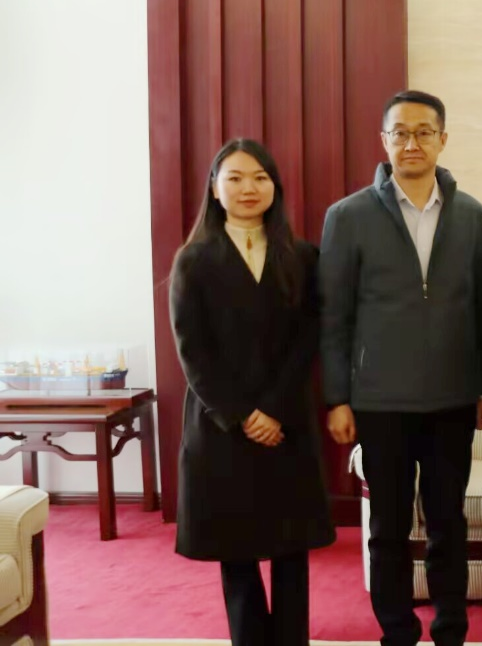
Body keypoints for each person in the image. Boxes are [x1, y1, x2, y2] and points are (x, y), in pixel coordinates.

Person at [319, 90, 482, 646]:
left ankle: (450, 631)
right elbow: (334, 316)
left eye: (423, 132)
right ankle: (397, 632)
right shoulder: (347, 217)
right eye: (400, 132)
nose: (412, 143)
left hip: (452, 400)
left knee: (448, 525)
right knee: (388, 529)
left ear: (443, 139)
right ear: (384, 141)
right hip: (380, 403)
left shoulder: (471, 216)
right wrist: (338, 397)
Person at [168, 138, 335, 646]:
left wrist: (274, 410)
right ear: (214, 189)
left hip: (286, 421)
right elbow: (193, 352)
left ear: (275, 187)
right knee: (235, 551)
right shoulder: (193, 261)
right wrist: (244, 414)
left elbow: (309, 339)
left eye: (260, 177)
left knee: (291, 549)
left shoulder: (303, 257)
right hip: (223, 425)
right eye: (235, 178)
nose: (248, 188)